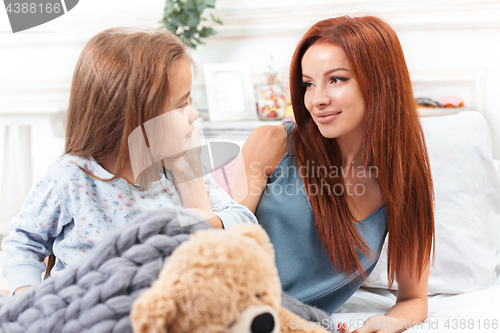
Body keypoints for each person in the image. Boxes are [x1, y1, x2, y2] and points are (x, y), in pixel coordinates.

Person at [1, 27, 257, 296]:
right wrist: (29, 300)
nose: (193, 114)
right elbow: (23, 242)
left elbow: (245, 222)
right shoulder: (72, 177)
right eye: (181, 105)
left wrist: (197, 205)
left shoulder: (174, 169)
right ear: (134, 117)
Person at [232, 16, 434, 332]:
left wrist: (386, 322)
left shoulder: (404, 183)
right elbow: (219, 249)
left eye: (336, 79)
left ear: (381, 81)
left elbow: (413, 299)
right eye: (308, 83)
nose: (317, 99)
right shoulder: (271, 144)